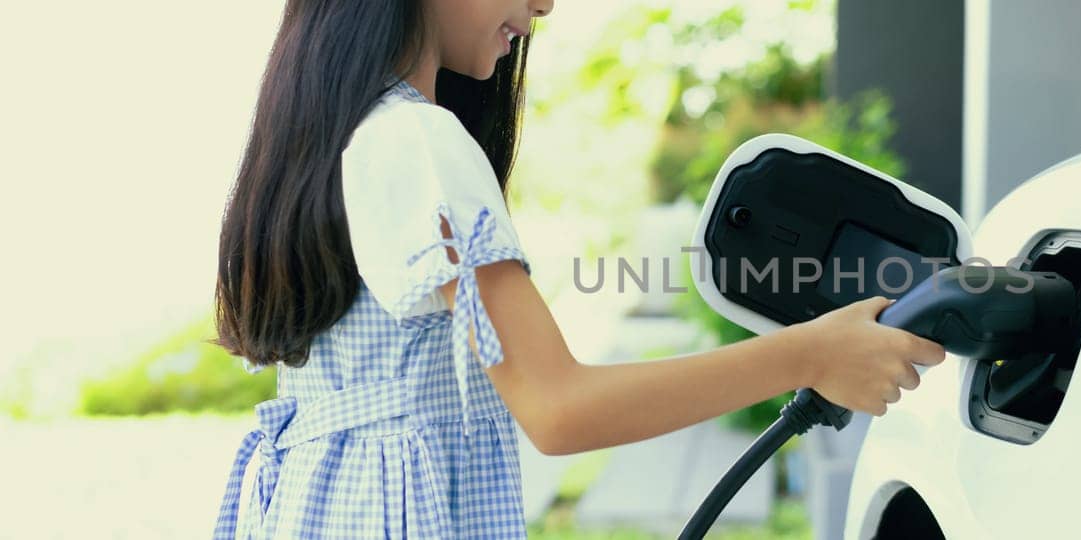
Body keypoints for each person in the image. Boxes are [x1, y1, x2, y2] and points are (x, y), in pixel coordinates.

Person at [209, 0, 945, 537]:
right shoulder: (416, 140)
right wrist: (814, 352)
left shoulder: (349, 132)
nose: (545, 5)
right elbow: (558, 405)